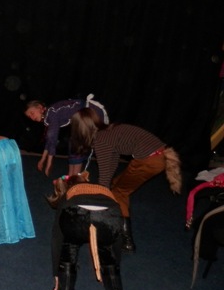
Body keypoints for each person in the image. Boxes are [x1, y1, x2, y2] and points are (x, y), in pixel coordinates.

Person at [70, 108, 182, 253]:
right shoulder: (109, 132)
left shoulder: (101, 140)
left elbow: (104, 174)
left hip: (149, 160)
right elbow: (113, 160)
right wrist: (106, 186)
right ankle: (120, 218)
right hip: (159, 155)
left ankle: (127, 241)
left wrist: (99, 199)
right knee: (116, 184)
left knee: (119, 193)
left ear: (81, 130)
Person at [46, 172, 124, 290]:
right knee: (107, 248)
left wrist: (56, 274)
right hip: (109, 216)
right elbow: (118, 236)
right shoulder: (103, 189)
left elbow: (57, 237)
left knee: (69, 245)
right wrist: (115, 262)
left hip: (77, 217)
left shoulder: (68, 194)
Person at [24, 95, 109, 176]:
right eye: (30, 117)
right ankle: (71, 176)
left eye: (32, 113)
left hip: (91, 113)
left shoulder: (52, 112)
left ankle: (75, 178)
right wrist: (42, 160)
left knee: (77, 145)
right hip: (84, 117)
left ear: (40, 107)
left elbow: (52, 139)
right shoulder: (49, 115)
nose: (32, 118)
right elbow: (49, 140)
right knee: (72, 143)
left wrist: (49, 164)